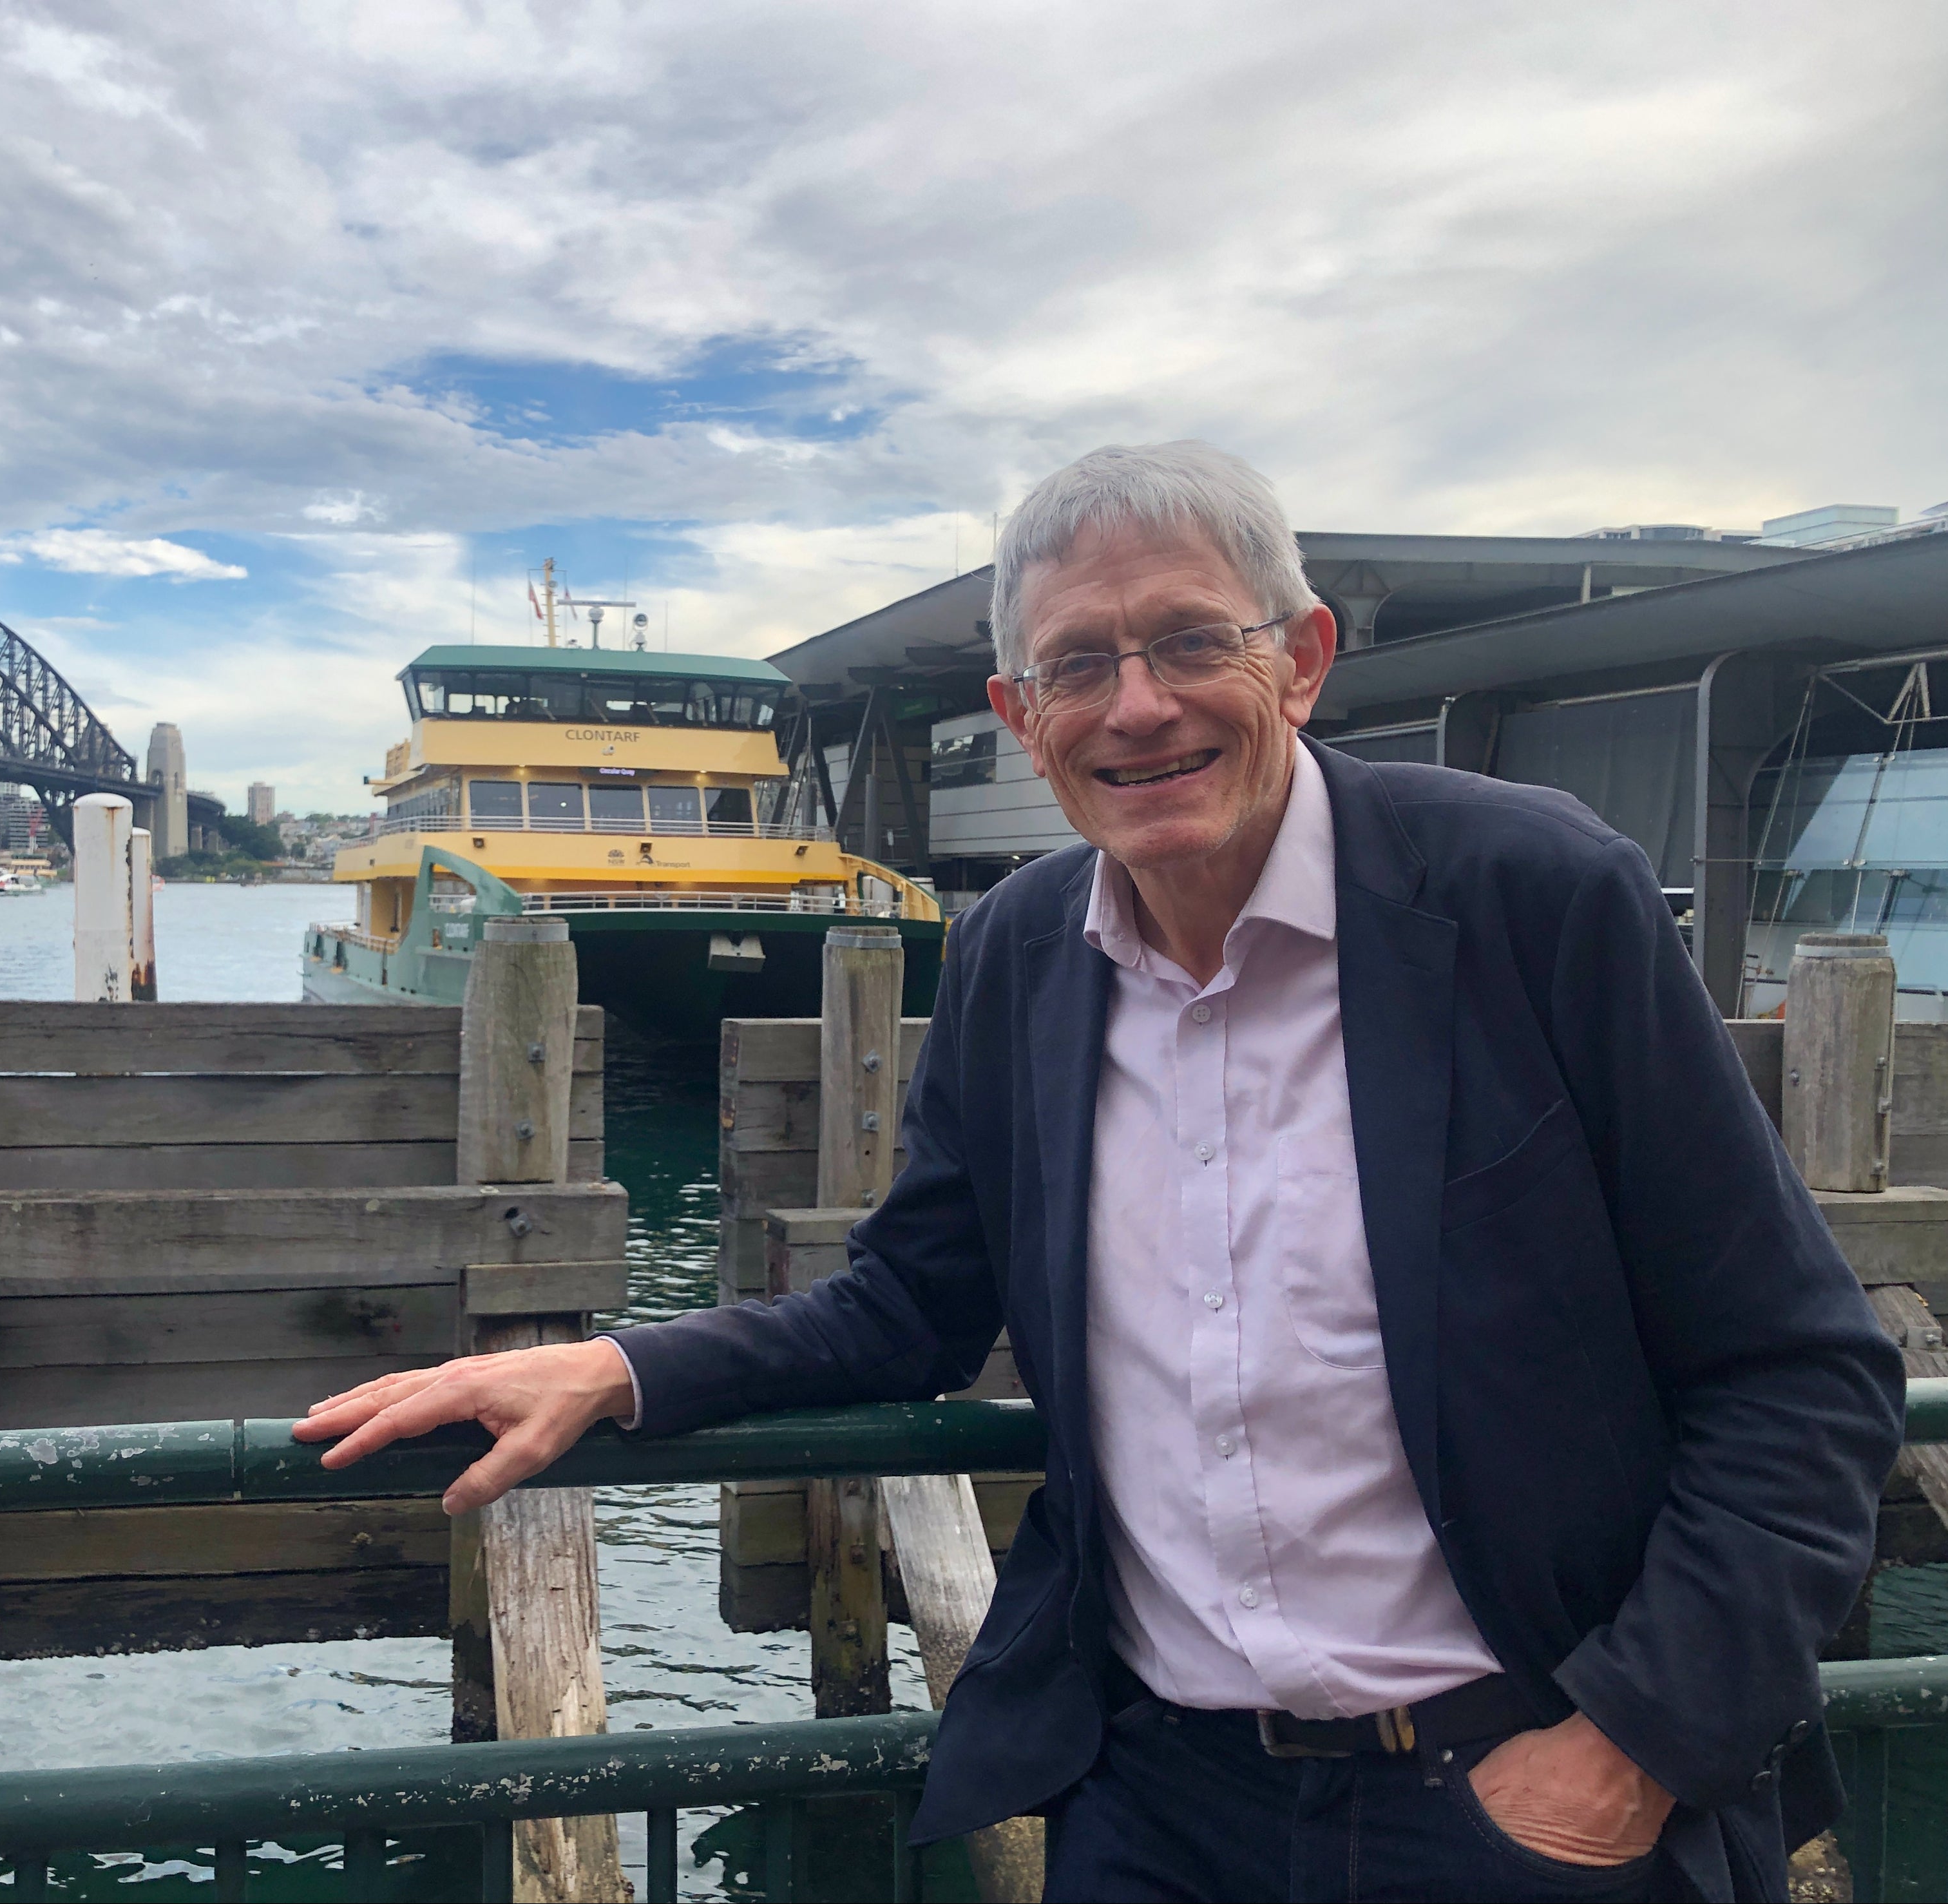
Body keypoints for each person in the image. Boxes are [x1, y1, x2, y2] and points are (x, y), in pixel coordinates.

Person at [297, 441, 1902, 1903]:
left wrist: (1626, 1744)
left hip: (1510, 1792)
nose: (1137, 705)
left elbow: (1797, 1371)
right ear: (1020, 718)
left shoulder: (1534, 894)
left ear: (1303, 659)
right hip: (1157, 1802)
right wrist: (620, 1360)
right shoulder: (1011, 956)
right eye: (1077, 663)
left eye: (1191, 640)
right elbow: (914, 1300)